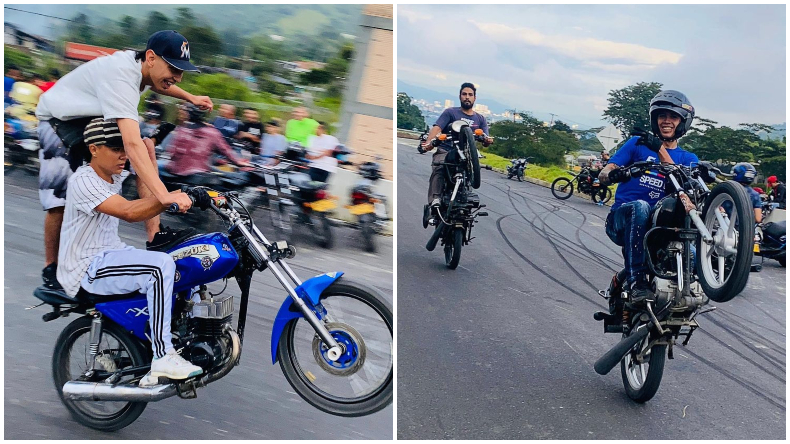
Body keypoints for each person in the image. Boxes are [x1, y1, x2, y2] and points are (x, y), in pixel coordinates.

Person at [35, 30, 211, 290]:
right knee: (59, 201)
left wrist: (191, 98)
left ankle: (155, 236)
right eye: (173, 68)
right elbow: (130, 143)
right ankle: (51, 266)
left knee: (147, 148)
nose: (177, 76)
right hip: (58, 119)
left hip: (90, 119)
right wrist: (164, 196)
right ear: (151, 57)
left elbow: (159, 83)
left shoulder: (142, 68)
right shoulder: (121, 75)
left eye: (181, 71)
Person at [57, 118, 207, 382]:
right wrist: (171, 197)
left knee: (185, 260)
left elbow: (145, 177)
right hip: (86, 266)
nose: (123, 155)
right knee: (160, 266)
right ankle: (162, 355)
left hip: (112, 253)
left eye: (125, 149)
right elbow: (128, 211)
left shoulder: (113, 172)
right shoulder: (84, 181)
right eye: (116, 149)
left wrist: (150, 157)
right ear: (94, 149)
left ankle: (188, 337)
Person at [598, 90, 699, 307]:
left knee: (695, 257)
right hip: (621, 221)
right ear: (655, 119)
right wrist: (614, 174)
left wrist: (659, 149)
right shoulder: (637, 143)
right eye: (662, 115)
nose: (667, 121)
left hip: (659, 230)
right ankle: (637, 283)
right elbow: (605, 172)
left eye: (673, 117)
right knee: (641, 207)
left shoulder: (688, 158)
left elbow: (685, 186)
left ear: (682, 122)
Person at [420, 82, 493, 211]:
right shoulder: (450, 112)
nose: (467, 97)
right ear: (460, 96)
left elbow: (486, 139)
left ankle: (465, 195)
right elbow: (437, 128)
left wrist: (487, 140)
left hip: (467, 155)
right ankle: (435, 199)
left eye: (470, 94)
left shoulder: (480, 119)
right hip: (446, 150)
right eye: (464, 94)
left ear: (474, 98)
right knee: (439, 167)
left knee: (469, 172)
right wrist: (429, 143)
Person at [164, 104, 249, 177]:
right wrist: (238, 162)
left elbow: (171, 151)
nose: (221, 110)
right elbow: (225, 150)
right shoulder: (212, 131)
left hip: (176, 172)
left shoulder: (181, 130)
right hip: (200, 171)